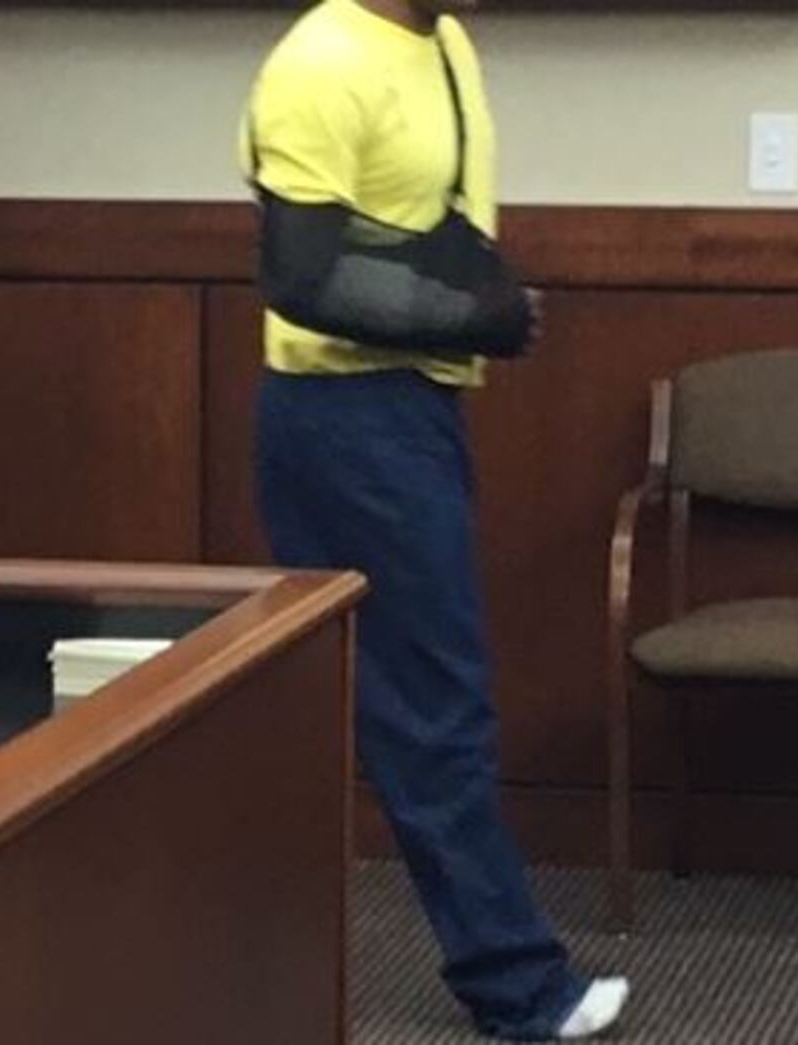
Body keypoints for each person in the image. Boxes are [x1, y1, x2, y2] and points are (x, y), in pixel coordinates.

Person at [243, 0, 628, 1039]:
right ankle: (517, 988)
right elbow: (301, 274)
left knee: (404, 698)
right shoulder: (321, 61)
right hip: (343, 419)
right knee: (430, 704)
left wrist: (472, 315)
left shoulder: (443, 41)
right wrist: (470, 316)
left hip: (412, 407)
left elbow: (424, 225)